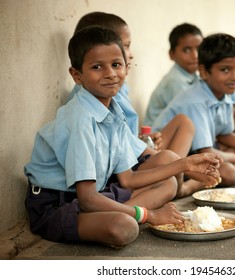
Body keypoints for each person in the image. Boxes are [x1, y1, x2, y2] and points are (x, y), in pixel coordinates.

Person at [24, 26, 223, 248]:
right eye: (97, 67)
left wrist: (186, 164)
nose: (110, 73)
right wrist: (150, 215)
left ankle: (129, 214)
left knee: (167, 184)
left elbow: (128, 179)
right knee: (124, 228)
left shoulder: (113, 111)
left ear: (126, 68)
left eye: (116, 65)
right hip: (56, 204)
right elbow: (88, 198)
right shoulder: (80, 119)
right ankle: (131, 215)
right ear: (77, 75)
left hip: (91, 194)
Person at [67, 12, 220, 196]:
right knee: (169, 162)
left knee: (182, 126)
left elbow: (122, 138)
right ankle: (182, 185)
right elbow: (101, 183)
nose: (129, 55)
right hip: (116, 170)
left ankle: (179, 181)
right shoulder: (91, 99)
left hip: (129, 158)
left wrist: (144, 140)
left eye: (126, 48)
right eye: (125, 46)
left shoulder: (114, 88)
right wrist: (186, 167)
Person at [153, 33, 235, 186]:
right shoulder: (195, 101)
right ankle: (188, 187)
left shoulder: (224, 93)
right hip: (168, 158)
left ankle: (203, 178)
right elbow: (206, 152)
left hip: (196, 152)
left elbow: (225, 135)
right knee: (229, 173)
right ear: (203, 72)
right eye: (225, 70)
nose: (234, 77)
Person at [143, 23, 203, 126]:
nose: (195, 55)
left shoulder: (193, 76)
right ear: (172, 54)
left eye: (198, 49)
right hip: (158, 138)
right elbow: (193, 116)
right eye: (187, 50)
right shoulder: (175, 81)